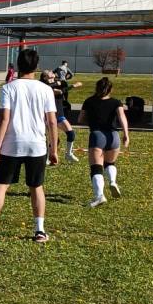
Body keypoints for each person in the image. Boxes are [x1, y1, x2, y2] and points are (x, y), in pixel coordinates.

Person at [0, 48, 57, 244]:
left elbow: (4, 119)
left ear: (18, 65)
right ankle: (40, 231)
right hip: (37, 145)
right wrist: (53, 149)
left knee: (2, 185)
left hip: (12, 143)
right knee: (36, 187)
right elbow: (52, 122)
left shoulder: (9, 87)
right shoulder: (46, 89)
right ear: (37, 66)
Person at [78, 77, 130, 207]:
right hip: (113, 136)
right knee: (110, 163)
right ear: (111, 89)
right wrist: (126, 134)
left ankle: (99, 196)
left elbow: (80, 119)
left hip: (97, 135)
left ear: (96, 88)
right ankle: (112, 181)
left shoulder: (89, 101)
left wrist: (91, 121)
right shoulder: (116, 102)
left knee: (96, 168)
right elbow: (122, 117)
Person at [42, 70, 83, 162]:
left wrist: (60, 83)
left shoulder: (59, 83)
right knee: (55, 139)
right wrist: (73, 86)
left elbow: (62, 88)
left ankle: (68, 154)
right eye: (48, 72)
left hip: (60, 114)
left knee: (71, 133)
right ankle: (48, 158)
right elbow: (59, 92)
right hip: (49, 115)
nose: (51, 71)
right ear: (45, 77)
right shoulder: (44, 86)